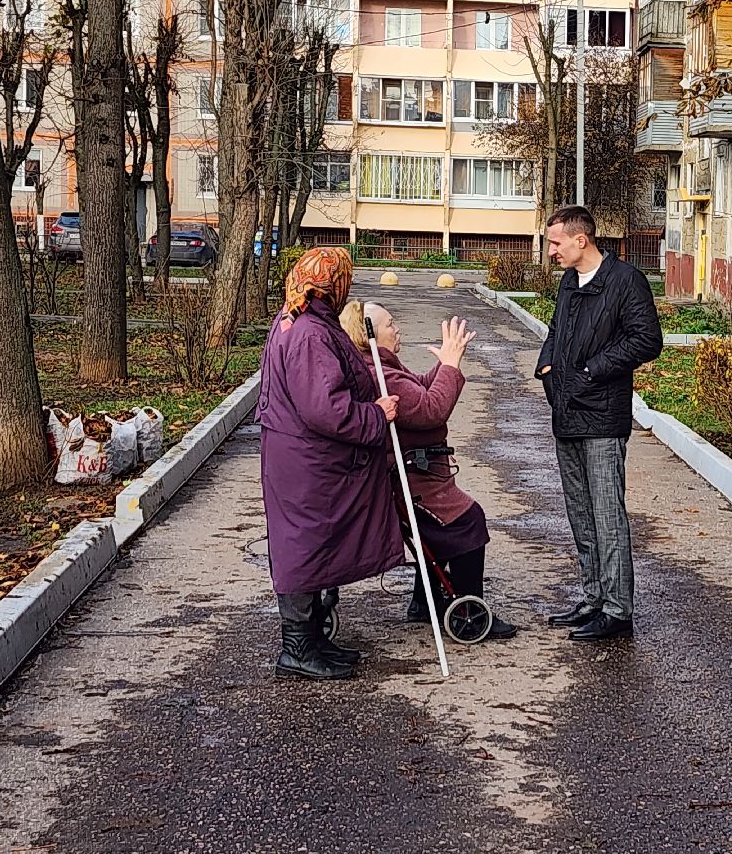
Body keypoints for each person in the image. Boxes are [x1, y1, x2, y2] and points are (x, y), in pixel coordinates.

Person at [256, 248, 403, 681]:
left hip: (301, 458)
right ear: (330, 284)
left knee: (310, 543)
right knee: (303, 545)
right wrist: (376, 414)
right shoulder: (309, 332)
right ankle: (297, 647)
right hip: (307, 463)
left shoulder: (299, 319)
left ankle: (312, 640)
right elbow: (326, 408)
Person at [341, 301, 518, 640]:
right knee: (467, 520)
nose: (398, 329)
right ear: (370, 337)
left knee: (437, 533)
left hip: (419, 469)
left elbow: (420, 387)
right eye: (390, 325)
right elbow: (430, 409)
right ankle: (468, 609)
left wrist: (446, 364)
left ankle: (425, 601)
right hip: (412, 476)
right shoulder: (379, 372)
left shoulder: (383, 367)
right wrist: (450, 366)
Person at [536, 205, 663, 642]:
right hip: (567, 411)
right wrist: (548, 370)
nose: (550, 250)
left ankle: (617, 610)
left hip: (603, 415)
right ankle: (592, 599)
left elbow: (647, 340)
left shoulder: (625, 281)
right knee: (580, 513)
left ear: (580, 240)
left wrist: (592, 370)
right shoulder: (570, 282)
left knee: (607, 514)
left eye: (555, 242)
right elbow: (554, 332)